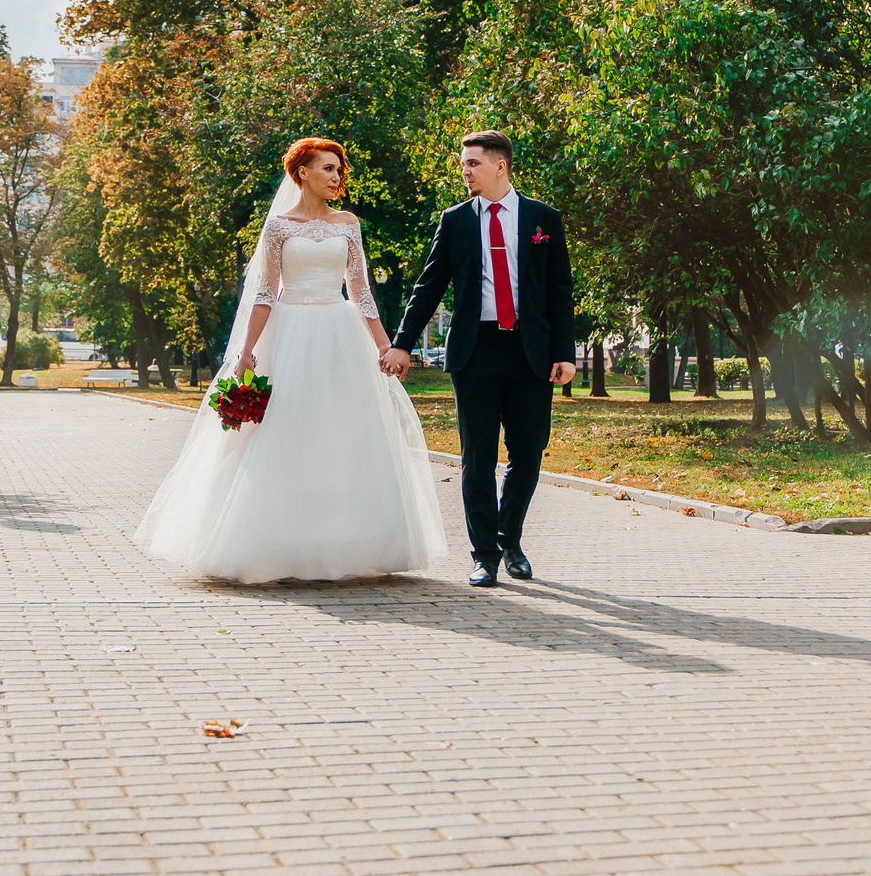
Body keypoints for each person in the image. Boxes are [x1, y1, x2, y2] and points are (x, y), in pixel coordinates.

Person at [134, 138, 445, 583]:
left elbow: (360, 291)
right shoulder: (279, 227)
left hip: (339, 334)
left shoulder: (348, 224)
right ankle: (278, 542)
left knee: (341, 433)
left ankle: (345, 541)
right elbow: (265, 293)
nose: (336, 177)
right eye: (328, 168)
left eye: (339, 169)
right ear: (302, 173)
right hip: (290, 332)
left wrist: (383, 345)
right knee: (286, 431)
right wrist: (246, 352)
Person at [382, 131, 576, 588]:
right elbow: (429, 286)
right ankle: (485, 554)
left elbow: (559, 290)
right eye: (463, 163)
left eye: (472, 163)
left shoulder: (543, 218)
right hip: (475, 350)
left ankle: (511, 540)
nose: (465, 171)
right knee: (477, 456)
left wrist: (565, 353)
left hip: (531, 351)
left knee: (528, 451)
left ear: (499, 166)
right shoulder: (455, 221)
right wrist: (402, 343)